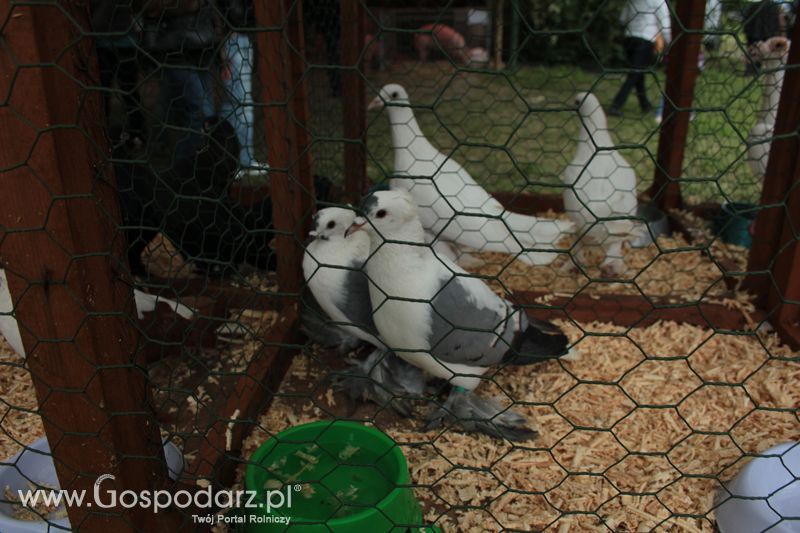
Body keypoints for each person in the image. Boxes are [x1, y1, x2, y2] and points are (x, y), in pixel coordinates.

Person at [139, 0, 219, 168]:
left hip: (203, 45)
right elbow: (149, 8)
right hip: (174, 49)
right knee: (198, 113)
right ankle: (182, 168)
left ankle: (196, 164)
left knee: (204, 114)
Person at [218, 0, 269, 179]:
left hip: (241, 38)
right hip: (233, 40)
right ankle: (240, 161)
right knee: (240, 104)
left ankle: (234, 160)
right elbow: (223, 13)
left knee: (235, 105)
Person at [91, 0, 145, 146]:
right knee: (105, 92)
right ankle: (105, 133)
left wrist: (94, 26)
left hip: (120, 41)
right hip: (108, 43)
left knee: (127, 91)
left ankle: (136, 133)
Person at [610, 0, 671, 117]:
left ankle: (645, 105)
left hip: (629, 39)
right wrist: (671, 45)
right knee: (635, 74)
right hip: (645, 40)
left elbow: (623, 19)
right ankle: (616, 105)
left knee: (638, 73)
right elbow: (665, 26)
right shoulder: (659, 1)